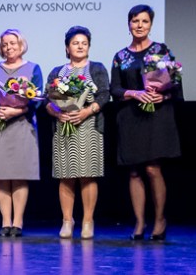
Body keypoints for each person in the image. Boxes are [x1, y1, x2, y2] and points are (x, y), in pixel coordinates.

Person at [110, 4, 182, 241]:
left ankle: (160, 219)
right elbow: (115, 88)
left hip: (155, 117)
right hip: (130, 117)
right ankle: (140, 222)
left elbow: (176, 83)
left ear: (151, 24)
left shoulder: (161, 50)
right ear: (129, 24)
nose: (139, 25)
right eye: (135, 21)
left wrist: (164, 95)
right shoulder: (120, 56)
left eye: (144, 21)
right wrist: (134, 93)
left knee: (152, 169)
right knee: (134, 172)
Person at [44, 26, 109, 239]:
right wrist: (57, 113)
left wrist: (86, 112)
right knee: (66, 176)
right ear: (67, 47)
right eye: (75, 43)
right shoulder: (57, 72)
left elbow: (104, 95)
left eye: (84, 43)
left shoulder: (97, 68)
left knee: (88, 176)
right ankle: (67, 220)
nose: (80, 46)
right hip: (64, 128)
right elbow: (47, 101)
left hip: (89, 126)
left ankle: (88, 221)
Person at [0, 28, 42, 237]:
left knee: (20, 175)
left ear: (21, 45)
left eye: (12, 43)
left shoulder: (33, 68)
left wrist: (18, 110)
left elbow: (38, 98)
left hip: (22, 126)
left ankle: (18, 222)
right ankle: (6, 221)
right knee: (1, 175)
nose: (8, 47)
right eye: (4, 44)